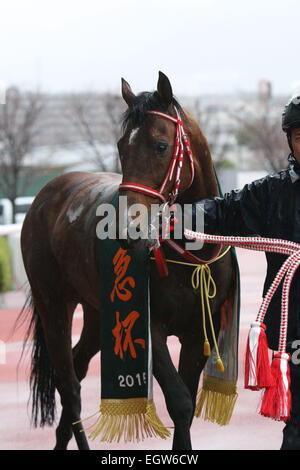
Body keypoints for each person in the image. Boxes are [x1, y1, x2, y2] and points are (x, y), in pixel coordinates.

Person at [188, 96, 300, 450]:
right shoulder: (272, 193)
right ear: (290, 141)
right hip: (294, 330)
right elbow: (223, 211)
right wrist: (174, 217)